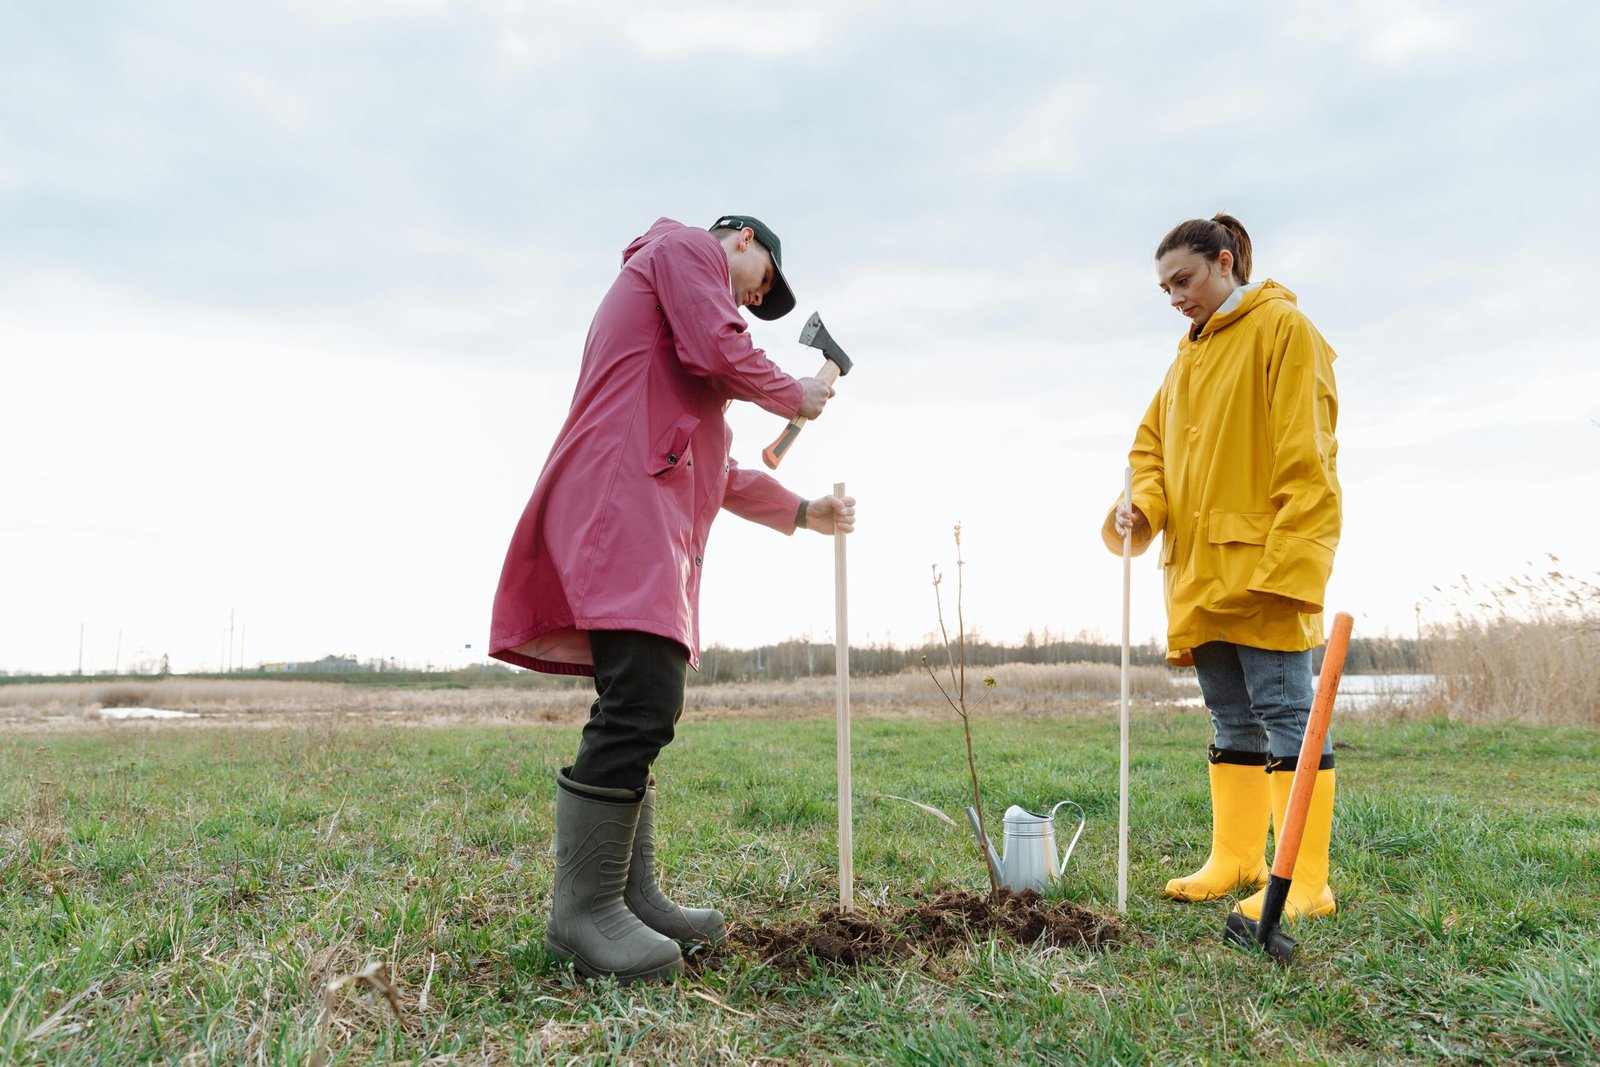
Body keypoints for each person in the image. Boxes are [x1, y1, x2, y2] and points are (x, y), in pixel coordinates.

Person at [489, 213, 856, 984]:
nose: (753, 305)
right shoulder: (684, 249)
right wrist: (797, 391)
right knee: (644, 697)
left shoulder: (687, 359)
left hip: (647, 517)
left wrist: (800, 510)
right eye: (761, 289)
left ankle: (629, 894)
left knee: (643, 694)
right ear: (743, 241)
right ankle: (582, 915)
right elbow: (721, 343)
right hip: (622, 504)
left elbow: (715, 471)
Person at [1102, 213, 1341, 922]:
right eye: (1165, 288)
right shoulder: (1185, 361)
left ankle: (1305, 881)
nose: (1176, 297)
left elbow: (1311, 456)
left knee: (1287, 716)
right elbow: (1148, 451)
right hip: (1198, 573)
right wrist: (1139, 508)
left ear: (1227, 261)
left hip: (1265, 566)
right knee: (1230, 716)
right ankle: (1236, 858)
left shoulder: (1285, 332)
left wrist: (1294, 564)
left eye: (1185, 279)